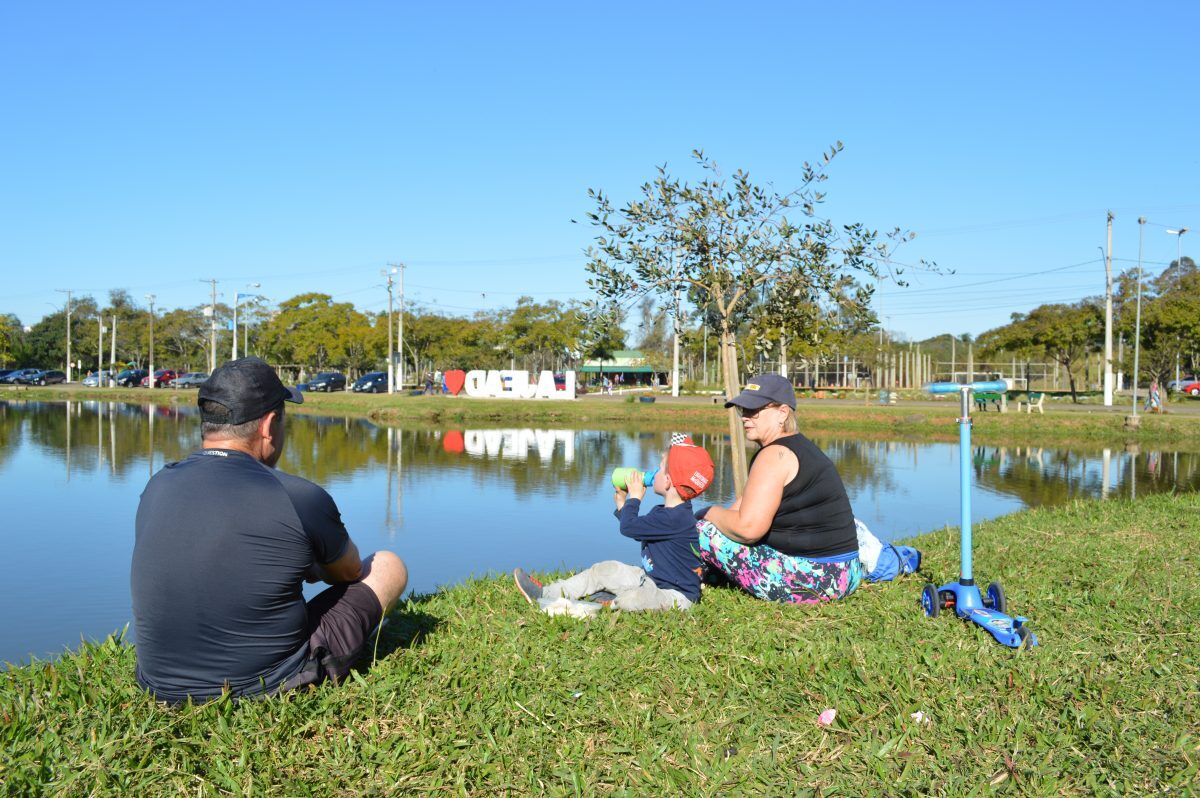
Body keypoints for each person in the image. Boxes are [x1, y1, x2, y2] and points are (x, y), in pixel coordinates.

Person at [130, 357, 408, 704]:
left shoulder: (158, 485)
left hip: (158, 683)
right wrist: (312, 564)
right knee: (388, 565)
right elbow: (350, 571)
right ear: (269, 425)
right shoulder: (299, 496)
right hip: (266, 684)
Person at [696, 373, 863, 604]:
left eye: (754, 410)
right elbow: (741, 508)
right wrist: (715, 518)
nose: (745, 417)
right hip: (847, 574)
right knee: (708, 527)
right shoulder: (801, 447)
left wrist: (707, 512)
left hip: (818, 581)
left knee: (698, 532)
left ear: (782, 413)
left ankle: (676, 582)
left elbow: (748, 529)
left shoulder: (774, 454)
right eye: (742, 410)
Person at [513, 434, 715, 614]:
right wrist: (622, 507)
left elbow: (629, 528)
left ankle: (607, 604)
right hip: (650, 579)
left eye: (660, 468)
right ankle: (546, 592)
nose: (654, 471)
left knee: (636, 599)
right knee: (605, 569)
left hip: (676, 597)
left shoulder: (676, 519)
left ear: (669, 481)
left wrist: (635, 498)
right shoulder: (666, 513)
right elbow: (638, 530)